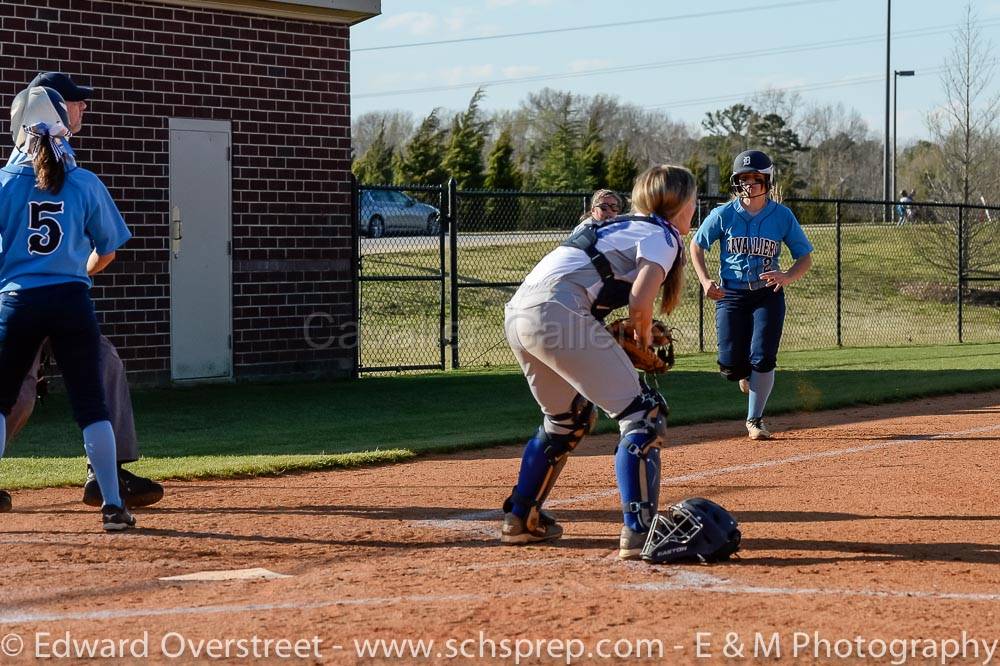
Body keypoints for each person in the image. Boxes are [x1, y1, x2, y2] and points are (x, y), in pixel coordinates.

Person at [501, 164, 696, 559]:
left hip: (518, 314)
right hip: (556, 310)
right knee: (644, 415)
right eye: (694, 201)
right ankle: (641, 532)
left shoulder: (621, 225)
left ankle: (521, 519)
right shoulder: (662, 233)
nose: (696, 208)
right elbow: (641, 300)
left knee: (565, 420)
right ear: (678, 204)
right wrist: (641, 337)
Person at [2, 72, 163, 510]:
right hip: (45, 299)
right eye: (74, 102)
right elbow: (105, 248)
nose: (82, 108)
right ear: (52, 112)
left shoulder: (36, 172)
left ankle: (107, 474)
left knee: (105, 362)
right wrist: (73, 279)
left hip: (27, 300)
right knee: (19, 392)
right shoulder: (62, 175)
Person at [689, 150, 813, 441]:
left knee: (764, 357)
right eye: (744, 179)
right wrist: (705, 280)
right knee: (730, 365)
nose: (750, 185)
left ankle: (755, 420)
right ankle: (743, 374)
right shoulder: (723, 214)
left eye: (757, 179)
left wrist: (787, 276)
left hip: (767, 293)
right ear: (736, 182)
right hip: (731, 293)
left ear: (767, 181)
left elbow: (804, 257)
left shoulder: (781, 216)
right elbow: (696, 246)